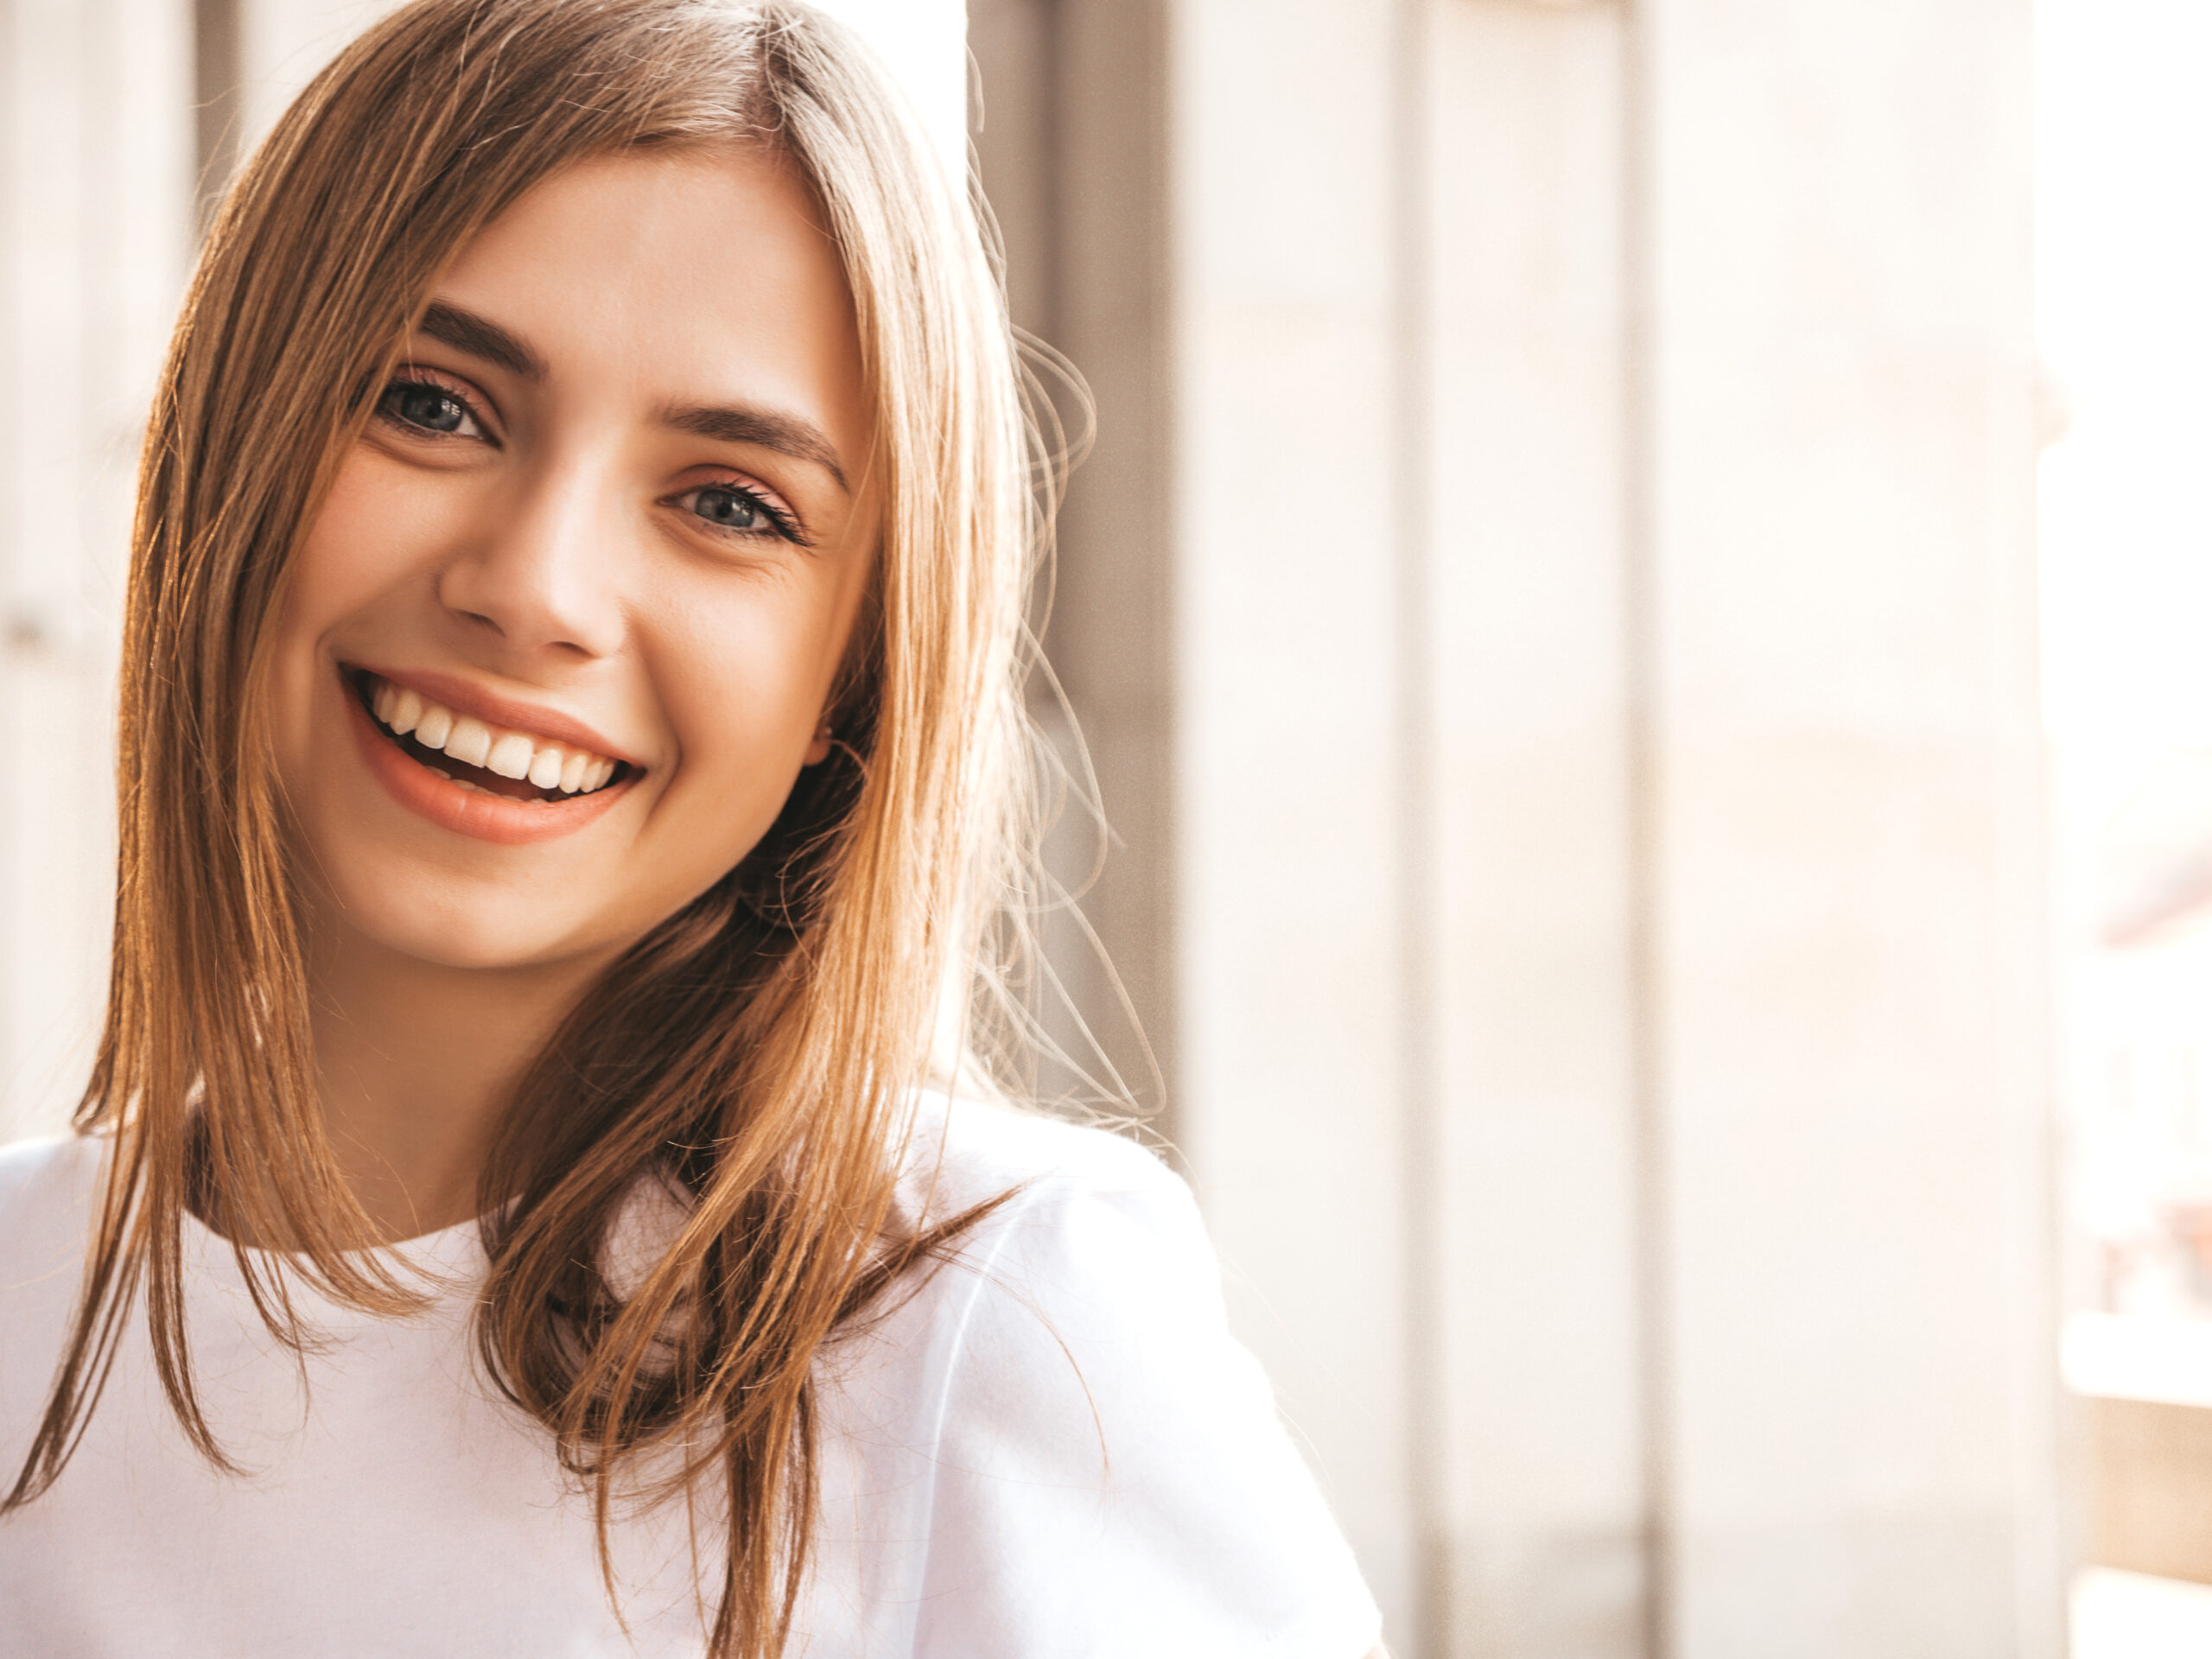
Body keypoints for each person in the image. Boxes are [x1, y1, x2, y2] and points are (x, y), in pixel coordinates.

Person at [0, 2, 1383, 1655]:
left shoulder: (995, 1326)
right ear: (227, 444)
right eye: (431, 404)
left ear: (854, 676)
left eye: (732, 503)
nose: (536, 587)